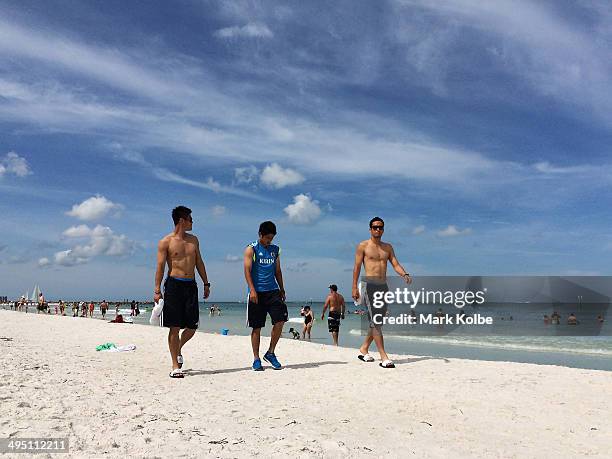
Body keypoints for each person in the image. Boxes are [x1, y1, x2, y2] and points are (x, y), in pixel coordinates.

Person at [154, 206, 210, 379]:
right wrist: (157, 290)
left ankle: (177, 349)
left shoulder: (194, 240)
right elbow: (160, 266)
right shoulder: (166, 241)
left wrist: (206, 283)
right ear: (181, 220)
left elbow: (199, 261)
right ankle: (175, 365)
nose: (193, 221)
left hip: (191, 285)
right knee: (174, 326)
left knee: (192, 327)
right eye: (190, 218)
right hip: (174, 285)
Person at [352, 217, 412, 369]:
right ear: (370, 229)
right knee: (377, 321)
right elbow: (357, 267)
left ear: (383, 229)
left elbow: (395, 264)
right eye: (375, 227)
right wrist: (354, 287)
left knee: (377, 321)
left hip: (382, 286)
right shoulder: (363, 246)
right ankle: (384, 357)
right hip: (369, 285)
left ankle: (364, 348)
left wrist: (404, 274)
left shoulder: (388, 248)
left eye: (380, 227)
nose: (377, 230)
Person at [243, 220, 288, 371]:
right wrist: (252, 290)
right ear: (260, 235)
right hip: (257, 292)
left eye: (272, 238)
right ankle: (256, 359)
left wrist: (282, 288)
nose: (269, 241)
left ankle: (270, 353)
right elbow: (247, 271)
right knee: (257, 327)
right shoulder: (251, 249)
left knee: (280, 320)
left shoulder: (275, 250)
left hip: (273, 291)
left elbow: (278, 271)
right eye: (267, 238)